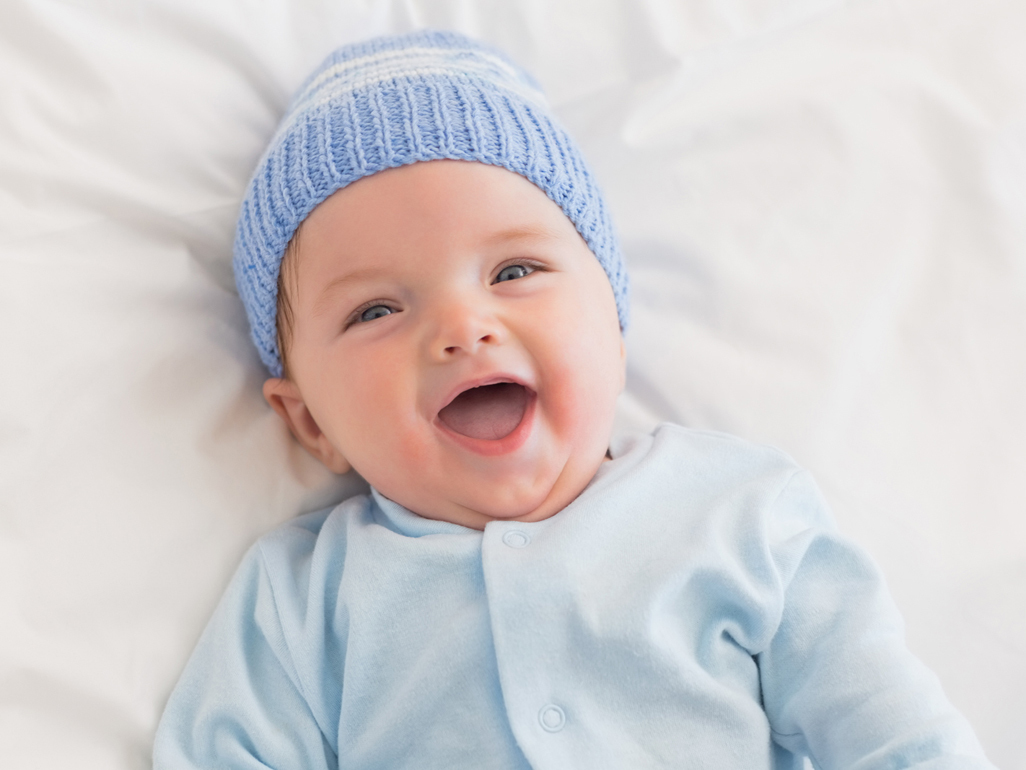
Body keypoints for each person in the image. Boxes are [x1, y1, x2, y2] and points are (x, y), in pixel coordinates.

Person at [153, 29, 995, 769]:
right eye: (377, 309)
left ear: (614, 327)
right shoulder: (306, 601)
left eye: (514, 272)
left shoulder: (740, 516)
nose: (462, 326)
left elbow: (898, 737)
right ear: (308, 421)